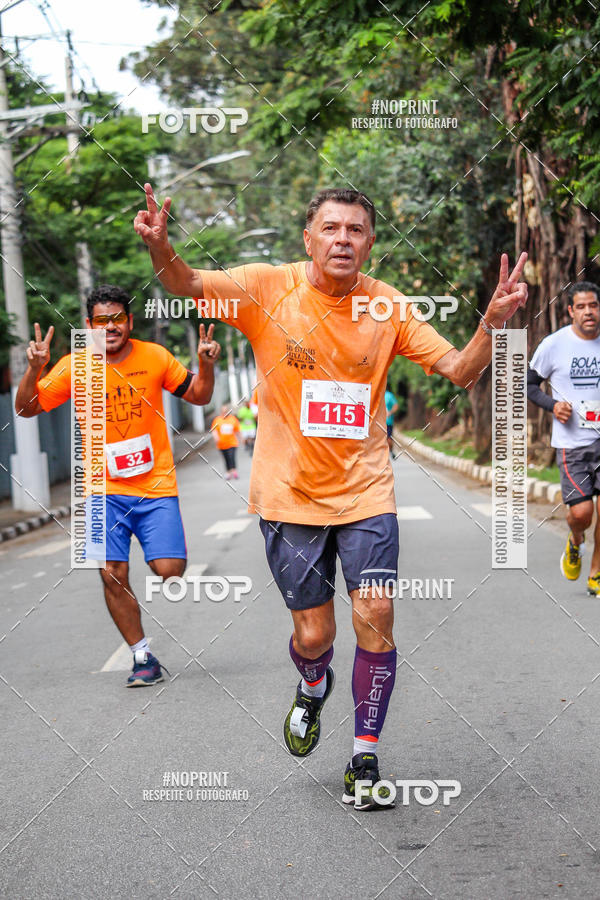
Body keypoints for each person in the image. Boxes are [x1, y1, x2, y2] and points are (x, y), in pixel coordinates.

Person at [134, 183, 527, 809]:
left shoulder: (387, 306)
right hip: (288, 496)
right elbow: (185, 284)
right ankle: (313, 685)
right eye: (332, 228)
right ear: (309, 238)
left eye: (356, 231)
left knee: (376, 616)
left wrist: (492, 325)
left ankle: (363, 756)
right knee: (314, 635)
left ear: (370, 243)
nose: (343, 239)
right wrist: (161, 245)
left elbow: (460, 369)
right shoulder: (266, 286)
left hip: (367, 489)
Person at [15, 284, 220, 686]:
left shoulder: (155, 356)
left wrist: (205, 364)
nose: (109, 328)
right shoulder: (76, 365)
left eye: (117, 320)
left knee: (170, 570)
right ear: (89, 325)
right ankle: (142, 656)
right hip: (98, 490)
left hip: (154, 485)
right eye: (100, 321)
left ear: (129, 321)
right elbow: (25, 408)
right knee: (112, 573)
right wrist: (34, 369)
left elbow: (198, 395)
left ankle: (157, 553)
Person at [528, 282, 600, 594]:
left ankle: (596, 573)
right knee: (582, 514)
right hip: (573, 445)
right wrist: (553, 405)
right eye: (581, 307)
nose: (589, 312)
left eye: (594, 306)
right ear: (570, 311)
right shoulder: (554, 345)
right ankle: (575, 540)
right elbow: (528, 385)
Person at [211, 404, 241, 478]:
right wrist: (216, 438)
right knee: (226, 458)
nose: (225, 413)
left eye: (226, 411)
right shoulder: (217, 420)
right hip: (222, 444)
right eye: (223, 412)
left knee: (231, 456)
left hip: (232, 443)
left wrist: (241, 438)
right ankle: (228, 471)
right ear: (221, 412)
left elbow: (237, 430)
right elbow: (214, 430)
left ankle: (234, 471)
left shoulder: (233, 419)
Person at [384, 383, 399, 457]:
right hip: (377, 422)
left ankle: (391, 451)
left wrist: (390, 412)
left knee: (389, 438)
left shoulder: (389, 395)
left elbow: (396, 406)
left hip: (387, 422)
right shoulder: (376, 393)